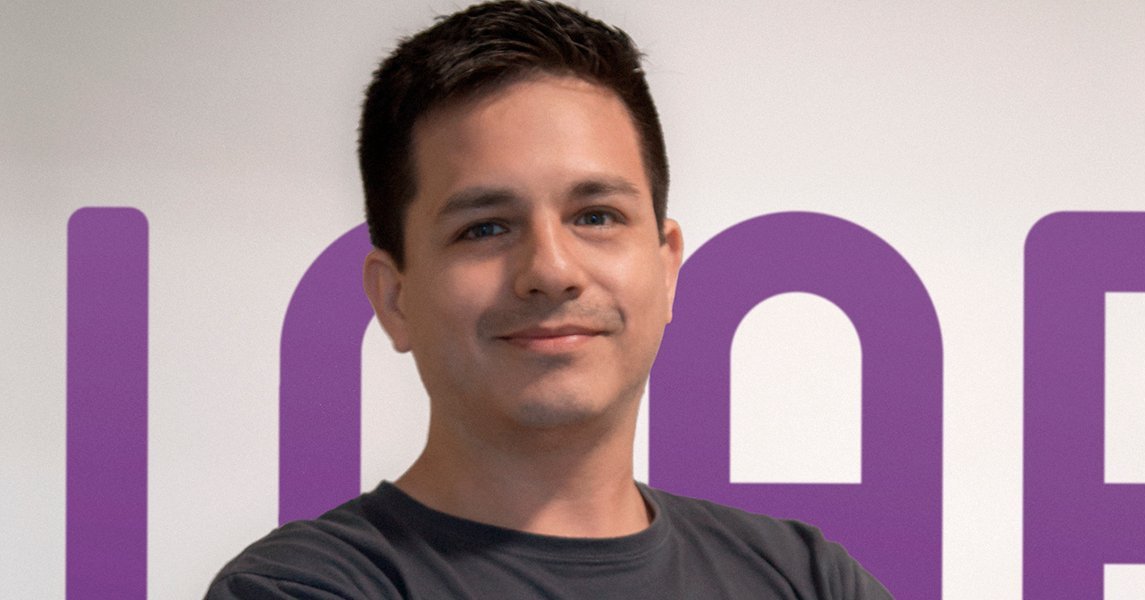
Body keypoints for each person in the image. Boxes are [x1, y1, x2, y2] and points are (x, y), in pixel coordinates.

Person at [206, 1, 893, 598]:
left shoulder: (806, 579)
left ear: (666, 267)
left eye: (596, 216)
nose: (551, 269)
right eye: (485, 228)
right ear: (395, 298)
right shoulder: (304, 587)